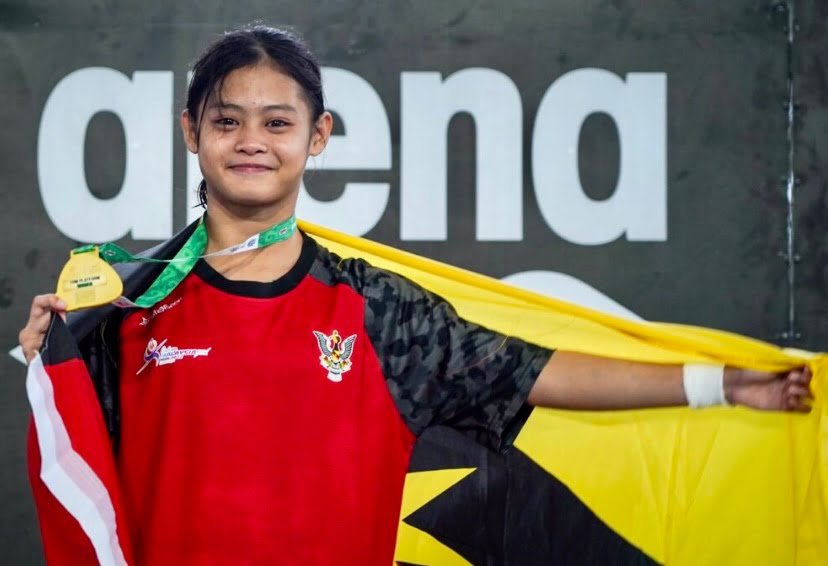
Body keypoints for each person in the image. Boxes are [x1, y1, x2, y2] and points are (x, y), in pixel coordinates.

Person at [18, 24, 813, 566]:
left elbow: (538, 371)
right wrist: (48, 356)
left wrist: (719, 386)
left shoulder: (377, 312)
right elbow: (78, 482)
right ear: (191, 131)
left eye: (277, 123)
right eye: (227, 122)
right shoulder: (125, 306)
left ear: (318, 136)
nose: (252, 141)